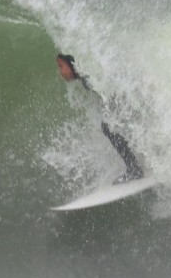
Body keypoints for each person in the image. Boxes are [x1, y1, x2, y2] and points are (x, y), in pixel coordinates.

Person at [55, 53, 144, 183]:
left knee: (108, 127)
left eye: (61, 66)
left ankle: (134, 169)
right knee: (109, 126)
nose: (60, 72)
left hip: (131, 94)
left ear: (70, 64)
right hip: (133, 92)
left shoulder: (86, 77)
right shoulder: (85, 74)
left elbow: (110, 91)